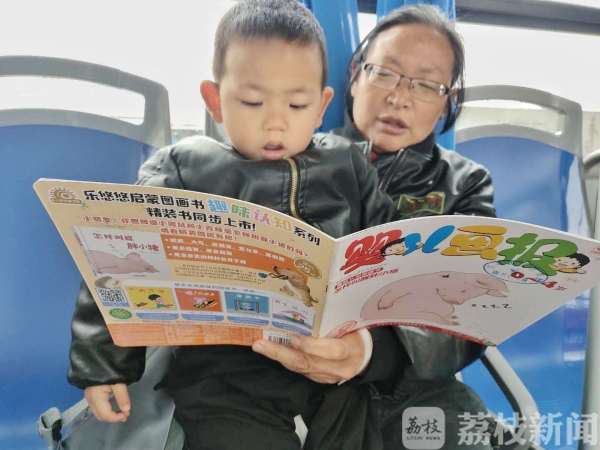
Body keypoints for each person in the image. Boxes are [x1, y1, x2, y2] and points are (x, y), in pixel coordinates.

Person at [68, 1, 397, 449]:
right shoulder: (182, 168)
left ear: (321, 106)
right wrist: (104, 367)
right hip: (225, 374)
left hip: (332, 368)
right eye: (252, 101)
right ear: (215, 100)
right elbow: (119, 263)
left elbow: (388, 252)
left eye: (297, 103)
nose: (276, 120)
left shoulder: (350, 167)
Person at [252, 5, 497, 450]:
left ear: (448, 100)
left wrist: (371, 353)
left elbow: (469, 315)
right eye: (385, 73)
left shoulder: (464, 184)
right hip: (278, 372)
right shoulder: (288, 156)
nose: (399, 98)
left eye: (426, 84)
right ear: (355, 75)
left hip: (407, 388)